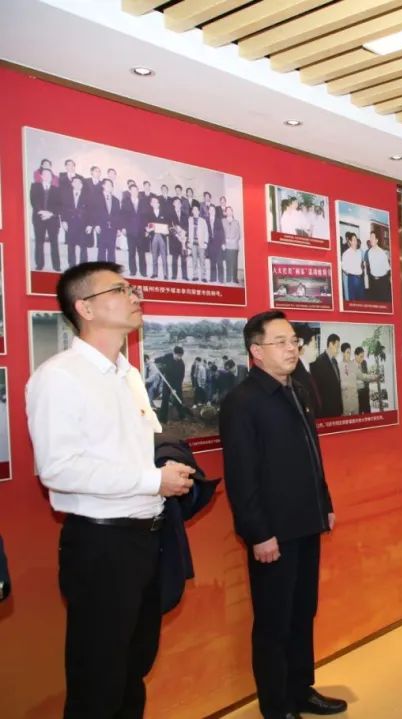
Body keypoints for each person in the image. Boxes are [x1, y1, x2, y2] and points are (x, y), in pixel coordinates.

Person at [26, 261, 195, 717]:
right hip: (101, 546)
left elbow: (132, 450)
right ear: (84, 307)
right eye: (120, 290)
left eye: (132, 288)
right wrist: (152, 480)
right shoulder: (59, 377)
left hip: (146, 538)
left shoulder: (129, 374)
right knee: (98, 682)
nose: (135, 296)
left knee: (134, 669)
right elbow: (59, 470)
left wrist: (164, 467)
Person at [219, 310, 346, 719]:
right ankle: (276, 706)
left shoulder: (298, 390)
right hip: (273, 532)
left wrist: (324, 503)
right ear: (256, 351)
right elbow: (241, 476)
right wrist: (258, 533)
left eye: (294, 341)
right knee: (274, 621)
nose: (292, 348)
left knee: (303, 612)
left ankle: (300, 689)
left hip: (307, 520)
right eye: (281, 342)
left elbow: (312, 455)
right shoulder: (242, 402)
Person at [31, 168, 63, 271]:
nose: (47, 176)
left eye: (49, 175)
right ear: (41, 176)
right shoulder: (35, 186)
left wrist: (50, 214)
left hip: (52, 219)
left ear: (52, 177)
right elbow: (34, 201)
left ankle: (56, 266)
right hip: (39, 218)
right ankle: (39, 265)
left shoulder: (57, 190)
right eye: (45, 174)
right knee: (39, 242)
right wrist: (42, 212)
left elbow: (60, 205)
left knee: (54, 243)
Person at [309, 333, 343, 418]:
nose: (338, 350)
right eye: (337, 346)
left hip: (336, 409)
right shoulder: (318, 362)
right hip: (326, 411)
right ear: (331, 344)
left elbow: (337, 385)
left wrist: (340, 407)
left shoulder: (335, 361)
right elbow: (317, 390)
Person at [365, 231, 391, 302]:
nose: (371, 239)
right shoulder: (369, 252)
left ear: (377, 240)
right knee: (375, 301)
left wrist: (381, 277)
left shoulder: (382, 253)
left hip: (382, 282)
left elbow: (387, 268)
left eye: (372, 238)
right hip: (373, 281)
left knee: (383, 301)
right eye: (370, 237)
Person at [340, 232, 365, 301]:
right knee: (353, 301)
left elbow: (361, 263)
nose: (355, 241)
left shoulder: (359, 252)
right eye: (353, 240)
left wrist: (361, 271)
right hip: (352, 279)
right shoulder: (346, 253)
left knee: (361, 299)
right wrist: (352, 274)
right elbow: (344, 268)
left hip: (360, 278)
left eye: (356, 240)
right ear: (350, 241)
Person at [188, 204, 209, 283]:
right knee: (194, 260)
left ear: (199, 211)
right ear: (192, 211)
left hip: (201, 243)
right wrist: (188, 242)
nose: (195, 211)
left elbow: (206, 232)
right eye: (194, 210)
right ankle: (195, 275)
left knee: (202, 260)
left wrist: (205, 242)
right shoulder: (189, 220)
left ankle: (203, 276)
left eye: (197, 210)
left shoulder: (203, 221)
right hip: (193, 243)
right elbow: (188, 231)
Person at [223, 205, 242, 284]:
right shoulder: (223, 221)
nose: (229, 212)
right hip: (226, 245)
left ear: (232, 212)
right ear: (225, 212)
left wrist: (233, 240)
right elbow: (221, 233)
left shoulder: (236, 222)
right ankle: (228, 278)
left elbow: (239, 234)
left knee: (234, 263)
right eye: (227, 211)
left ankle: (234, 278)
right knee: (228, 262)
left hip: (234, 246)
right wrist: (225, 240)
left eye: (230, 210)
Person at [339, 342, 358, 415]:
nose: (349, 355)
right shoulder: (338, 366)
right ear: (342, 353)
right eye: (347, 352)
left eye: (350, 353)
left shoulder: (354, 365)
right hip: (344, 401)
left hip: (354, 400)